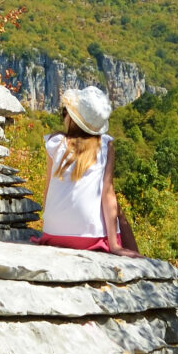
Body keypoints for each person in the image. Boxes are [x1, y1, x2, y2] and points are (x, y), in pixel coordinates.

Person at [37, 85, 131, 253]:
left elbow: (48, 189)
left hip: (53, 234)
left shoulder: (55, 142)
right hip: (90, 238)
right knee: (118, 214)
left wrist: (50, 225)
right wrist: (115, 246)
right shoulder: (105, 146)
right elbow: (107, 194)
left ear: (72, 118)